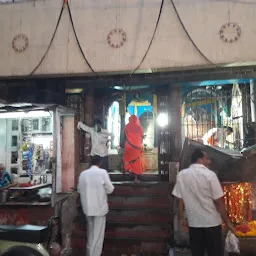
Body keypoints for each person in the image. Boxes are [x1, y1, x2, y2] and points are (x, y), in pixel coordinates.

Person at [172, 149, 235, 256]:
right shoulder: (210, 175)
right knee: (214, 253)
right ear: (199, 159)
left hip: (194, 224)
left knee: (197, 253)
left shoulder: (182, 175)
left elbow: (180, 200)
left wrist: (182, 218)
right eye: (207, 158)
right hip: (212, 224)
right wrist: (228, 222)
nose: (209, 161)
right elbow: (219, 203)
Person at [77, 156, 114, 256]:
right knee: (98, 236)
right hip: (99, 209)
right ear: (100, 163)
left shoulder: (83, 174)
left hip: (87, 209)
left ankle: (89, 253)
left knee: (90, 234)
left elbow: (79, 190)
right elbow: (110, 189)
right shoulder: (102, 173)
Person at [123, 115, 144, 183]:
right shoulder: (140, 127)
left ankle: (129, 171)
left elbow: (125, 136)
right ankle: (135, 178)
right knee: (136, 161)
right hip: (137, 147)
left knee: (128, 160)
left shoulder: (126, 126)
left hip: (128, 146)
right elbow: (141, 137)